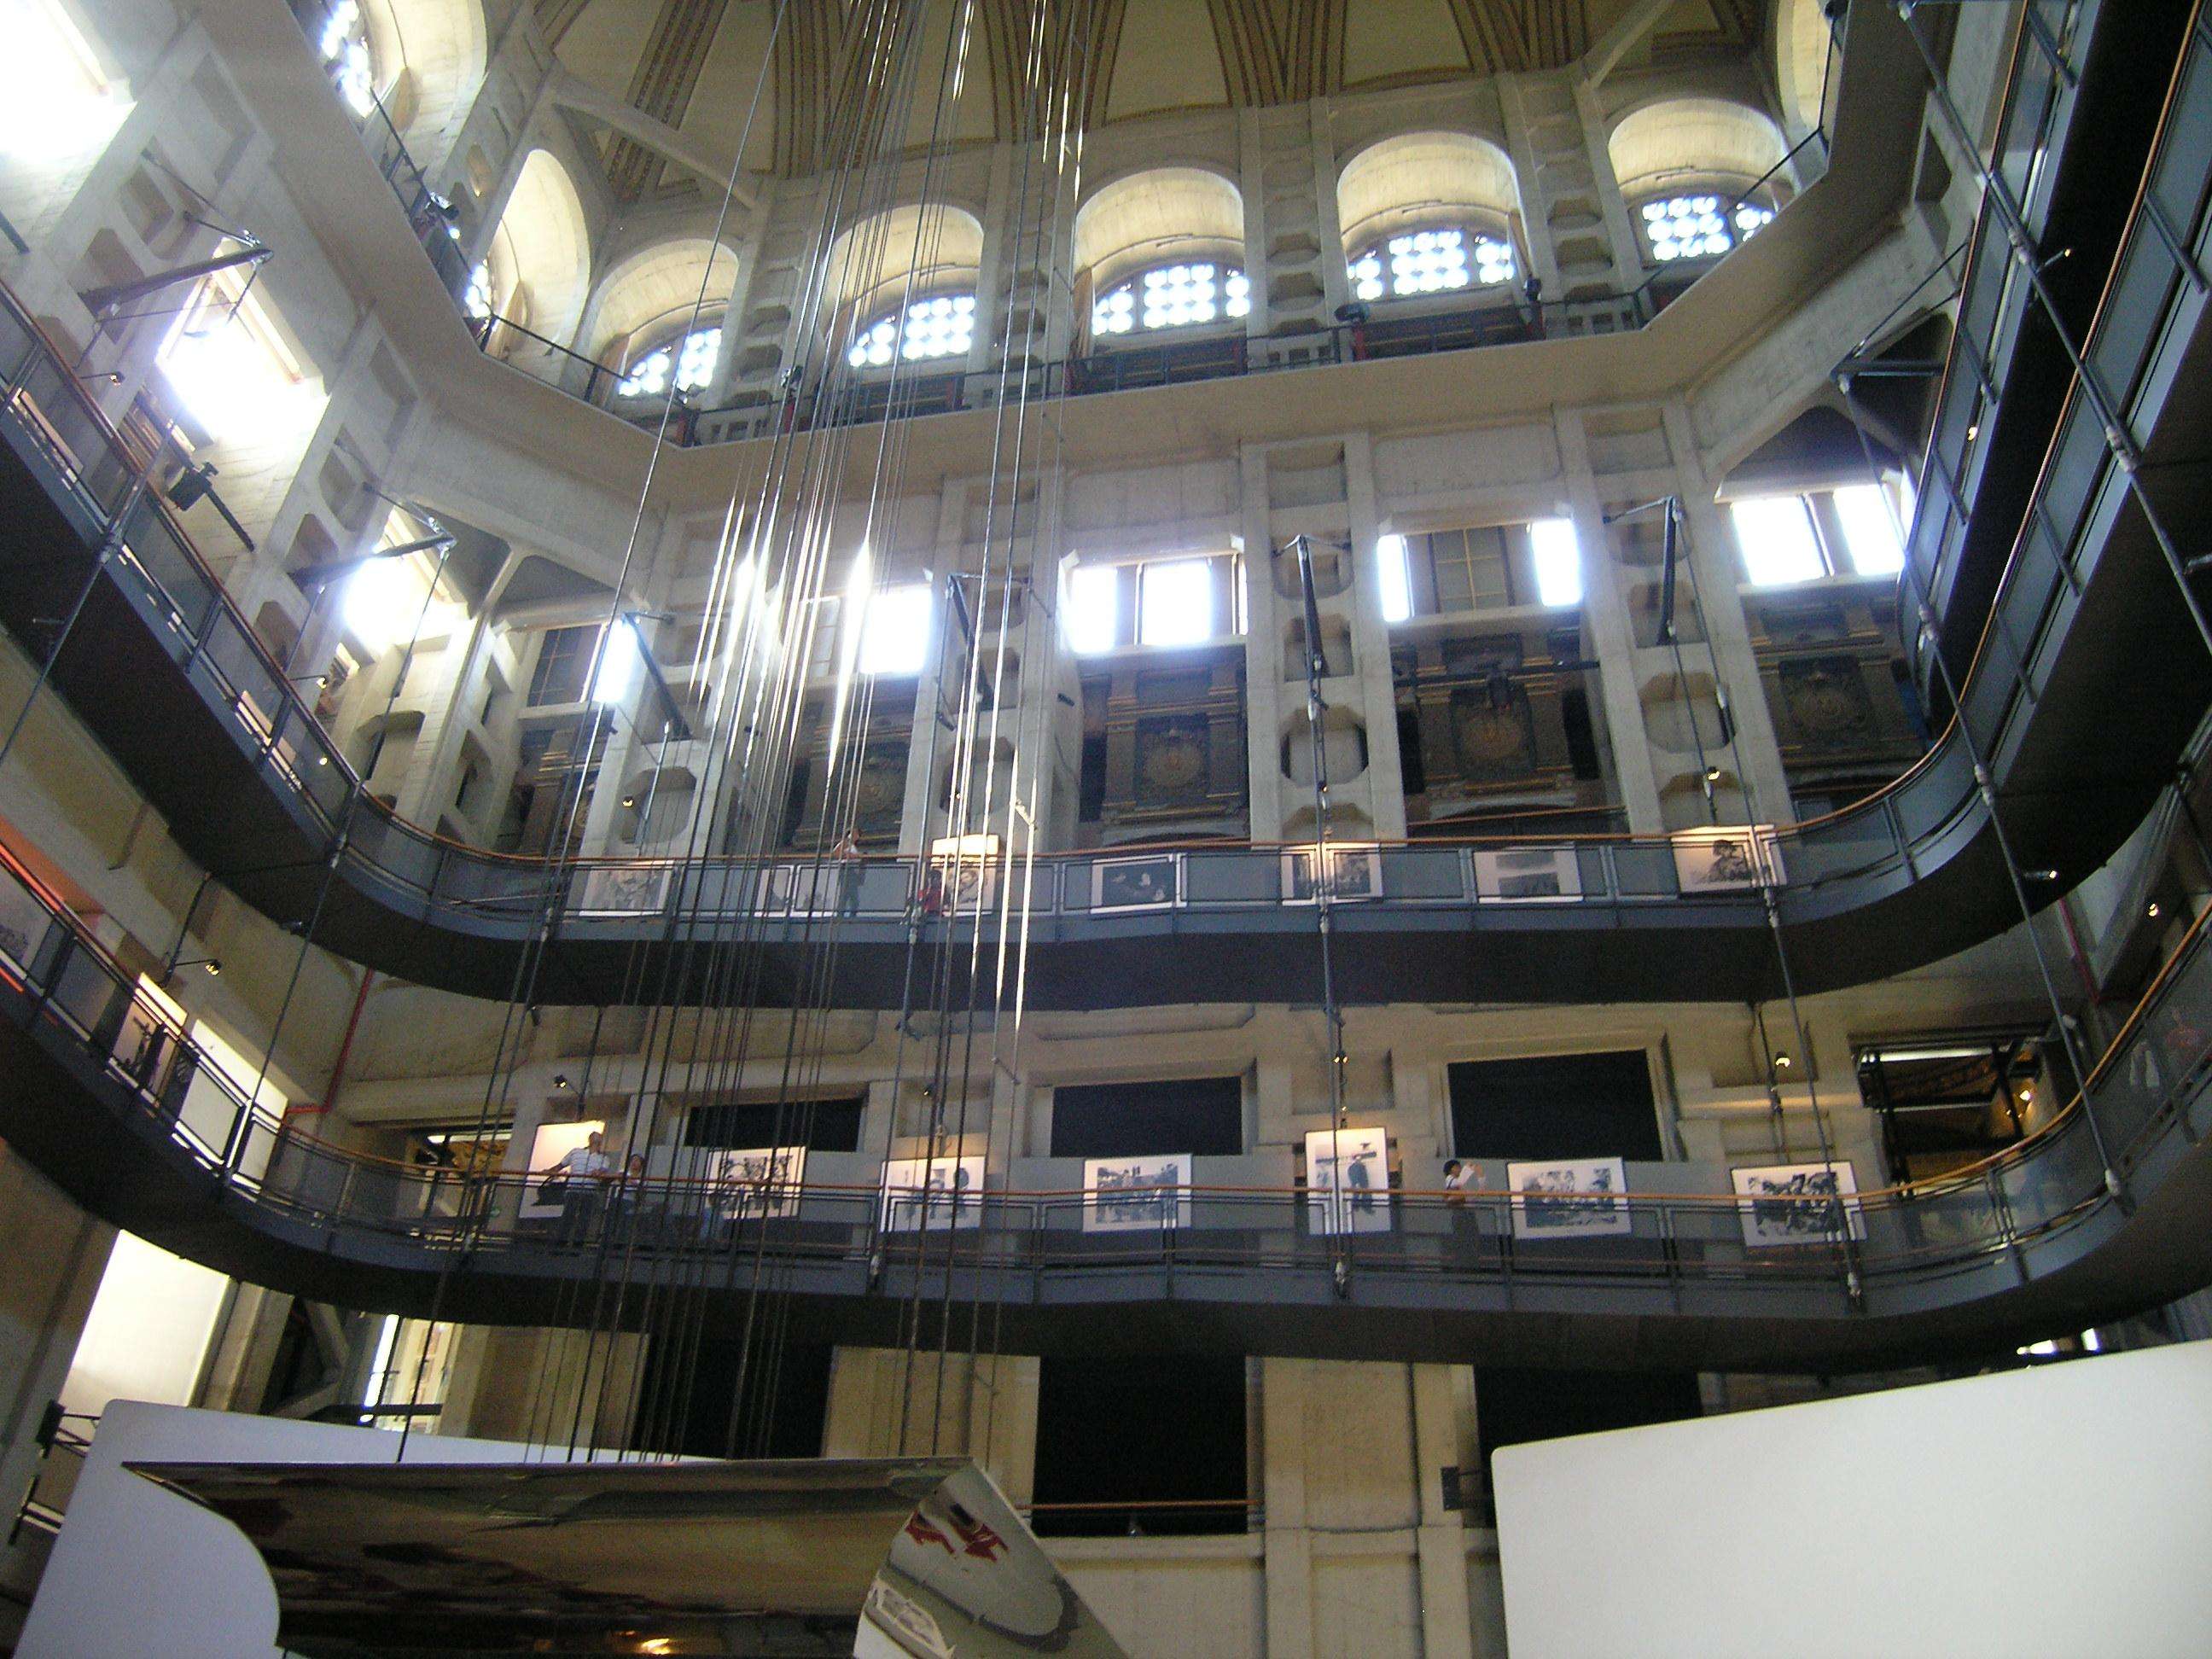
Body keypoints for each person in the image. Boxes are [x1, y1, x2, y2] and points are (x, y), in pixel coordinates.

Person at [548, 1130, 612, 1242]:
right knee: (568, 1216)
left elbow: (603, 1172)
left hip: (589, 1190)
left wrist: (599, 1173)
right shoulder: (576, 1152)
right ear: (590, 1140)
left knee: (584, 1219)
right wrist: (550, 1171)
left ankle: (577, 1244)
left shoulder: (604, 1159)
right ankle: (561, 1242)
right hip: (574, 1188)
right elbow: (561, 1165)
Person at [833, 829, 864, 916]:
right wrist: (851, 856)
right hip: (847, 869)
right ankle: (845, 915)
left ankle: (846, 915)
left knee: (848, 895)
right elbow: (836, 853)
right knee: (849, 896)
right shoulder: (846, 843)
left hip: (852, 871)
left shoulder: (853, 846)